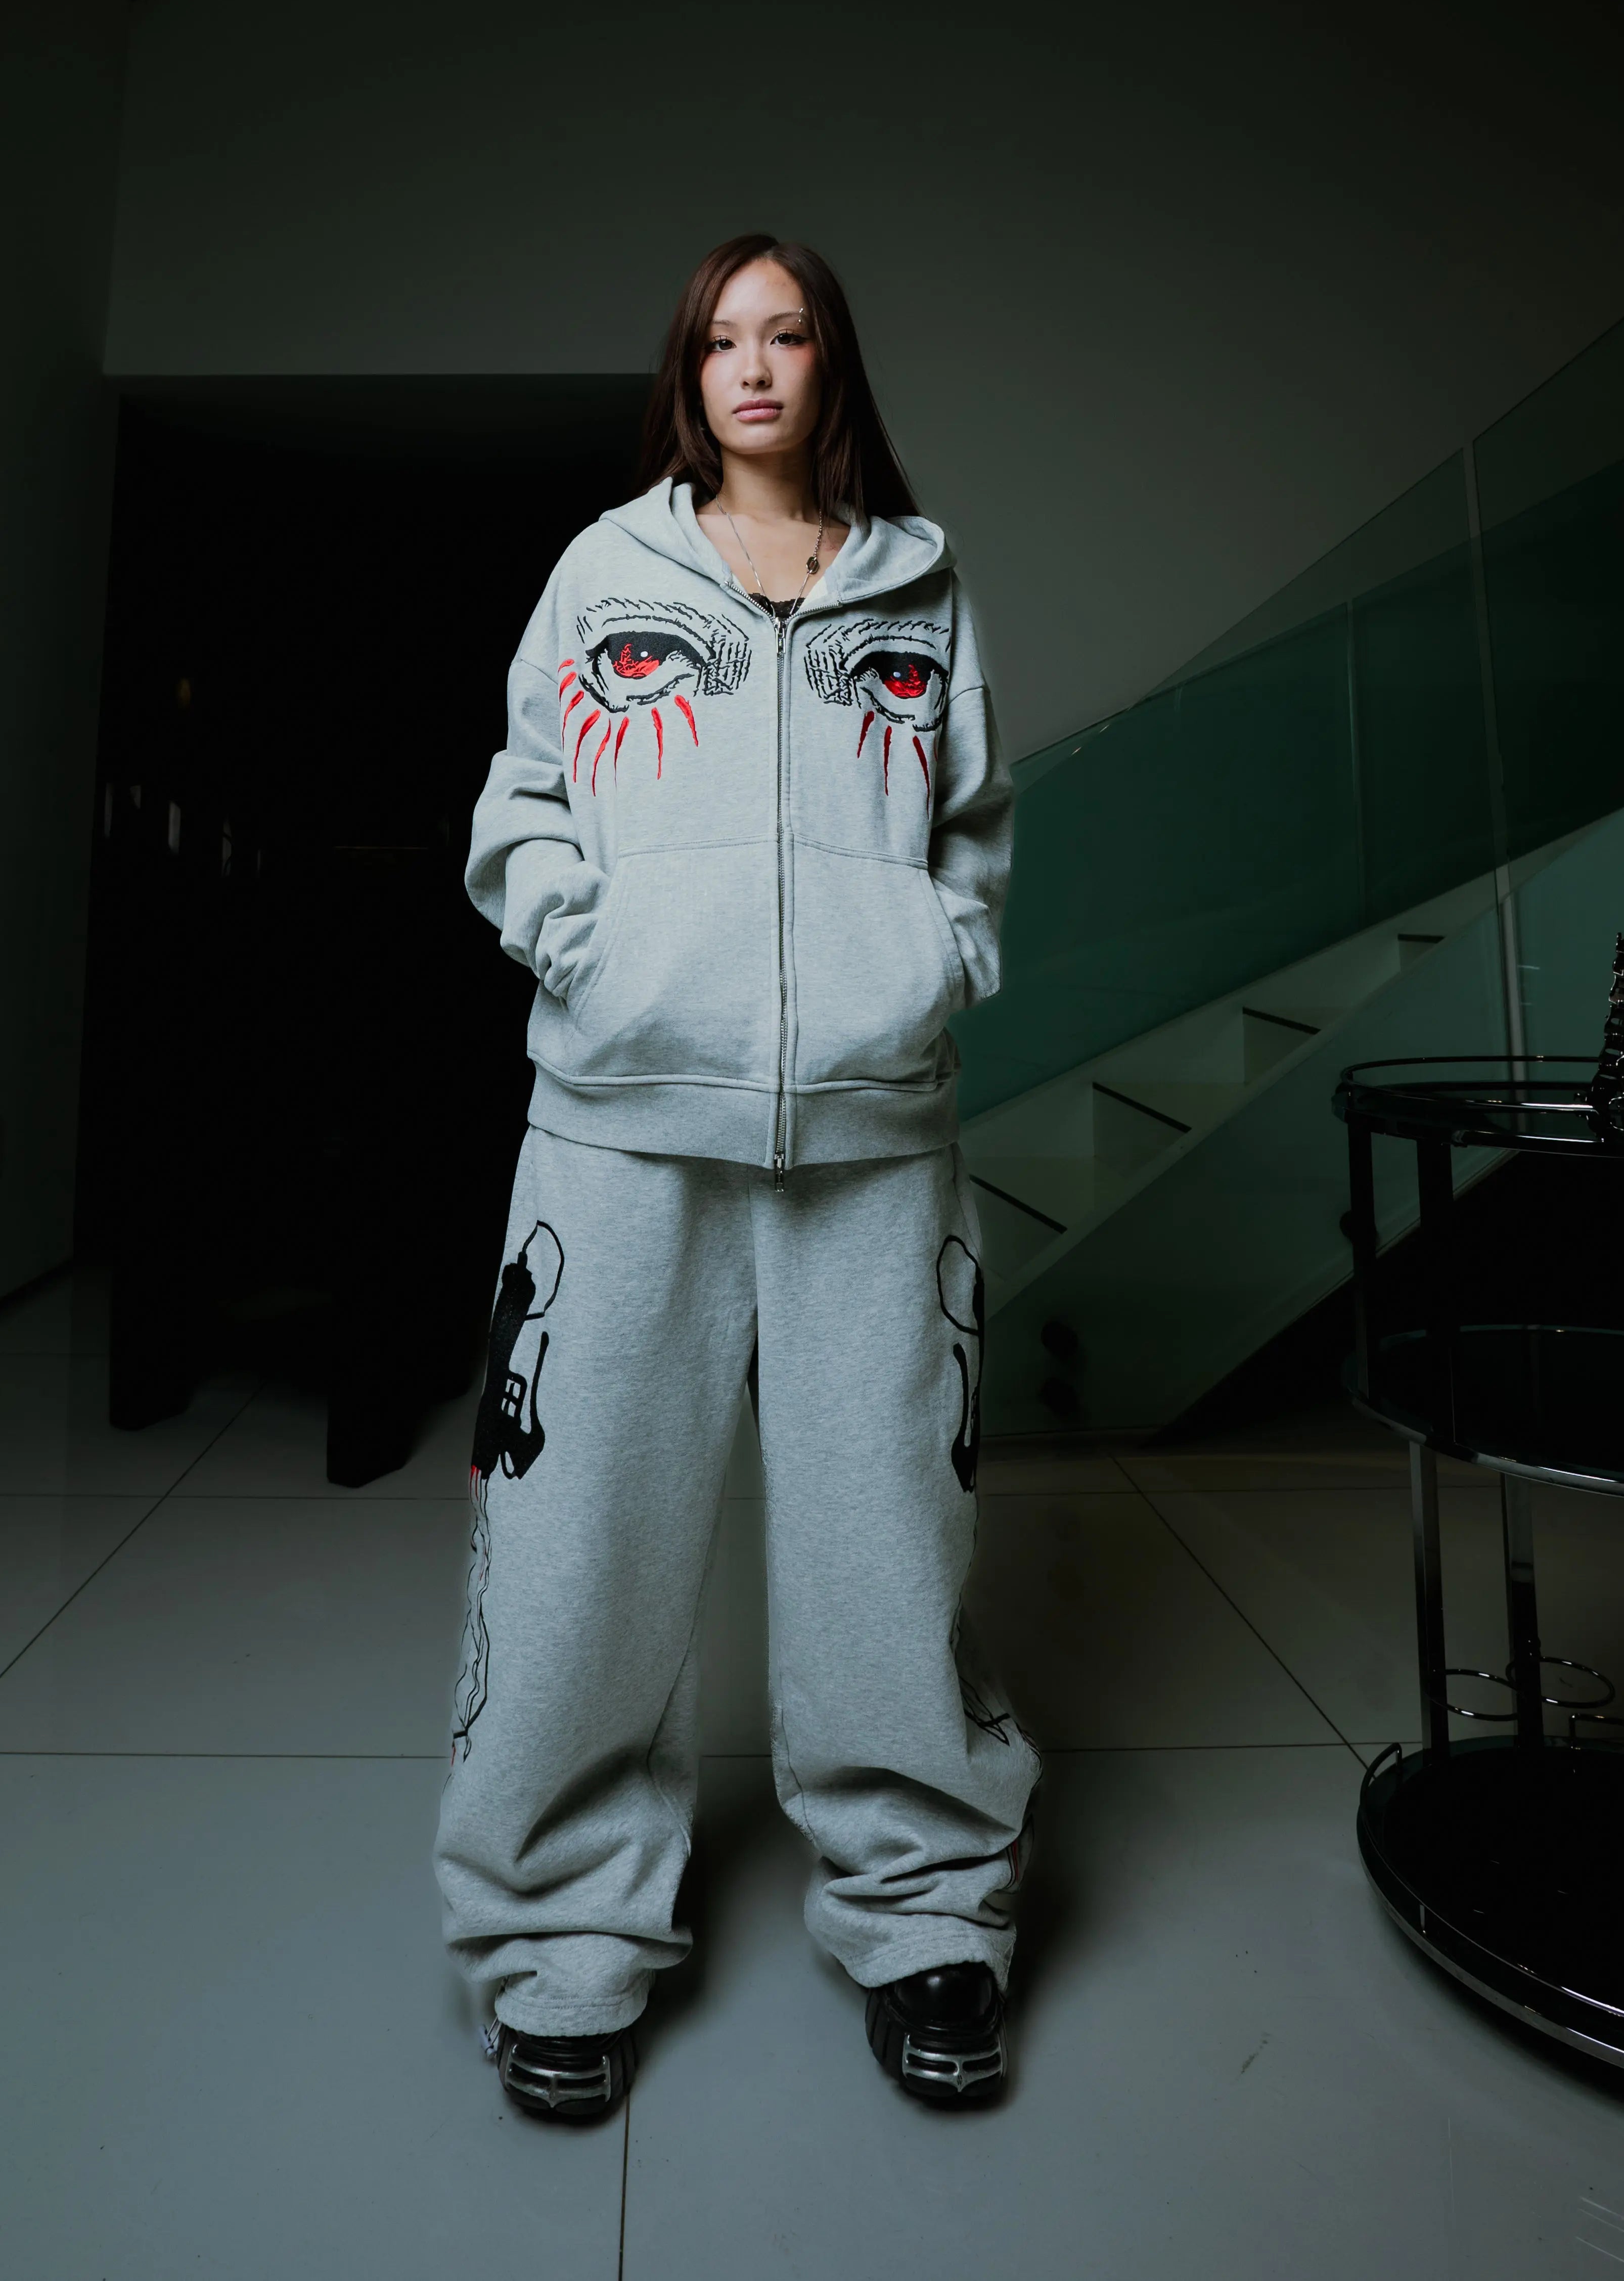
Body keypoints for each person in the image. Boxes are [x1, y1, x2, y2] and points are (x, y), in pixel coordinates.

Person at [436, 233, 1039, 2119]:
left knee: (888, 1538)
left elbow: (971, 828)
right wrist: (593, 957)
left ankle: (927, 1909)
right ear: (687, 374)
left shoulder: (919, 584)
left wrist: (933, 961)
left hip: (871, 1135)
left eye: (785, 335)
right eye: (720, 340)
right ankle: (560, 1933)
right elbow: (524, 800)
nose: (754, 367)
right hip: (619, 1124)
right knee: (579, 1545)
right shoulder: (604, 570)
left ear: (828, 361)